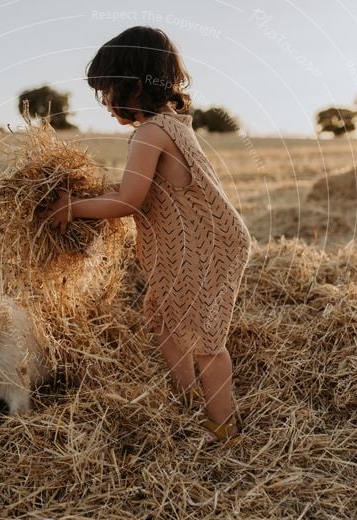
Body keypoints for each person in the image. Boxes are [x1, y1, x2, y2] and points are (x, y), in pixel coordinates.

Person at [37, 26, 252, 444]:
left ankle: (222, 425)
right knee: (165, 322)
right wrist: (90, 196)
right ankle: (187, 402)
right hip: (188, 245)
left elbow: (129, 201)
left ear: (134, 86)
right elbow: (131, 190)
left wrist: (71, 208)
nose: (104, 101)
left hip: (207, 246)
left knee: (207, 337)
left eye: (107, 90)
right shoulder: (170, 126)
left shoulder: (151, 133)